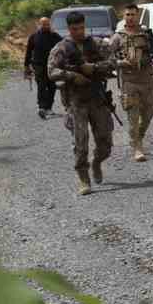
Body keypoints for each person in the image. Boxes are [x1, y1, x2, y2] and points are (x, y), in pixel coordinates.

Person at [44, 13, 116, 196]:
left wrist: (94, 68)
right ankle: (83, 177)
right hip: (76, 101)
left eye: (82, 27)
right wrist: (72, 76)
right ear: (69, 29)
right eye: (75, 29)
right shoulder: (60, 48)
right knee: (80, 142)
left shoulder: (98, 44)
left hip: (97, 98)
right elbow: (51, 71)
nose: (79, 31)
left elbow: (113, 63)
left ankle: (97, 162)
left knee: (105, 141)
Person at [110, 3, 153, 162]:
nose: (130, 18)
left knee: (148, 113)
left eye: (133, 14)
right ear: (124, 17)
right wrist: (120, 63)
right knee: (133, 115)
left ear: (138, 16)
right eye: (127, 15)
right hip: (128, 82)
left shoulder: (146, 34)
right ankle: (137, 147)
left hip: (146, 79)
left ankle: (139, 137)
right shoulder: (118, 36)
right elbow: (108, 57)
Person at [23, 16, 61, 119]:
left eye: (47, 24)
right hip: (38, 65)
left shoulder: (55, 36)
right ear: (39, 25)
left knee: (52, 86)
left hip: (52, 65)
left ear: (50, 25)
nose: (45, 26)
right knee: (41, 85)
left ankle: (49, 107)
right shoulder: (34, 37)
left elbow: (63, 47)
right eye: (43, 24)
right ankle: (42, 108)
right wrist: (26, 66)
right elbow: (28, 52)